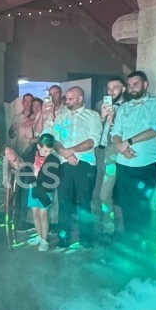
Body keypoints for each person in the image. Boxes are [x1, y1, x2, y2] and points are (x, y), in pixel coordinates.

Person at [109, 71, 156, 245]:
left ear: (145, 85)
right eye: (129, 84)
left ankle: (143, 246)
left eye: (136, 84)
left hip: (145, 163)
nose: (132, 88)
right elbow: (115, 132)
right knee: (126, 205)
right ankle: (130, 244)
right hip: (123, 163)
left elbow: (154, 129)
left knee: (141, 206)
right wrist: (122, 146)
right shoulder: (124, 107)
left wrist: (128, 142)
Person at [53, 86, 103, 251]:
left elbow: (93, 140)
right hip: (65, 163)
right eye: (66, 98)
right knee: (64, 202)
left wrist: (72, 150)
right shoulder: (60, 117)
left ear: (80, 98)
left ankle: (86, 239)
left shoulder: (93, 116)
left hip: (85, 164)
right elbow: (55, 139)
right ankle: (63, 238)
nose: (66, 101)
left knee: (84, 203)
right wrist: (65, 154)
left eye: (70, 99)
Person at [94, 77, 126, 235]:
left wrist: (113, 121)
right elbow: (94, 130)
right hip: (99, 150)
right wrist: (101, 117)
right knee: (95, 192)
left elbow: (125, 132)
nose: (111, 91)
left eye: (115, 87)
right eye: (108, 88)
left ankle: (109, 228)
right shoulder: (101, 105)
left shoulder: (127, 107)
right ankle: (97, 227)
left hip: (113, 151)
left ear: (123, 89)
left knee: (104, 194)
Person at [19, 133, 60, 252]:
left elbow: (54, 178)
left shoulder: (54, 160)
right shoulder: (30, 156)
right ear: (38, 146)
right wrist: (33, 184)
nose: (48, 154)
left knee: (43, 215)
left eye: (50, 151)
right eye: (46, 151)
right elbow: (27, 171)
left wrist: (43, 188)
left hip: (45, 191)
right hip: (33, 188)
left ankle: (44, 240)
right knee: (35, 213)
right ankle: (38, 235)